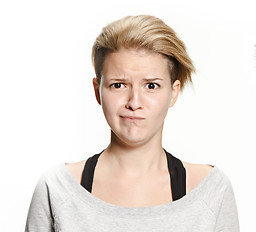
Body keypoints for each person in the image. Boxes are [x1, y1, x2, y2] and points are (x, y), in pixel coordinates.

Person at [25, 15, 239, 231]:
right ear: (97, 91)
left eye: (151, 86)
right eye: (118, 85)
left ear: (173, 93)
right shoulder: (57, 188)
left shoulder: (211, 190)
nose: (134, 102)